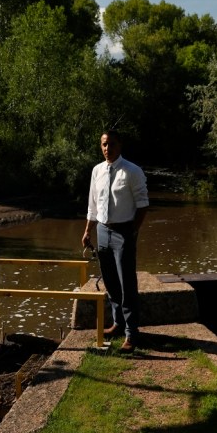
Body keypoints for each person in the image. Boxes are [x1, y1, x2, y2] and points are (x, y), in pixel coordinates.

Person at [82, 130, 149, 352]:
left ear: (120, 145)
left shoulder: (132, 171)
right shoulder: (97, 171)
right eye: (103, 144)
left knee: (127, 283)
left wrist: (133, 232)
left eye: (111, 144)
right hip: (102, 231)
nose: (106, 149)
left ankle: (132, 333)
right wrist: (87, 232)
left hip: (123, 233)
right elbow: (93, 205)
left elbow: (143, 204)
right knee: (110, 282)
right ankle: (118, 324)